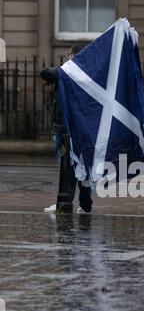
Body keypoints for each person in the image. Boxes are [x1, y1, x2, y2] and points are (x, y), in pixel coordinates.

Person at [40, 43, 93, 214]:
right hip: (81, 128)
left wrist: (59, 74)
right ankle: (85, 205)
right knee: (82, 166)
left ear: (74, 55)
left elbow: (45, 72)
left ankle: (64, 203)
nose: (67, 56)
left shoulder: (70, 72)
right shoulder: (86, 74)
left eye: (69, 54)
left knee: (67, 166)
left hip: (66, 128)